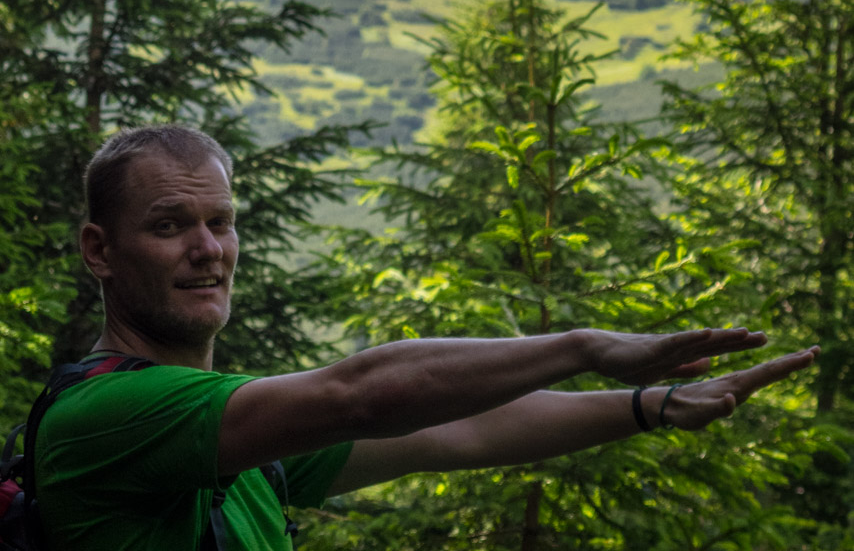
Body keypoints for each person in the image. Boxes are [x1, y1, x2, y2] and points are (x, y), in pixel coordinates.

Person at [35, 125, 819, 550]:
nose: (207, 249)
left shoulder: (234, 443)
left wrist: (650, 405)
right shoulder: (112, 416)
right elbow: (363, 397)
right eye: (170, 226)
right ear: (99, 251)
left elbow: (461, 427)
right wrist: (584, 345)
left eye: (221, 223)